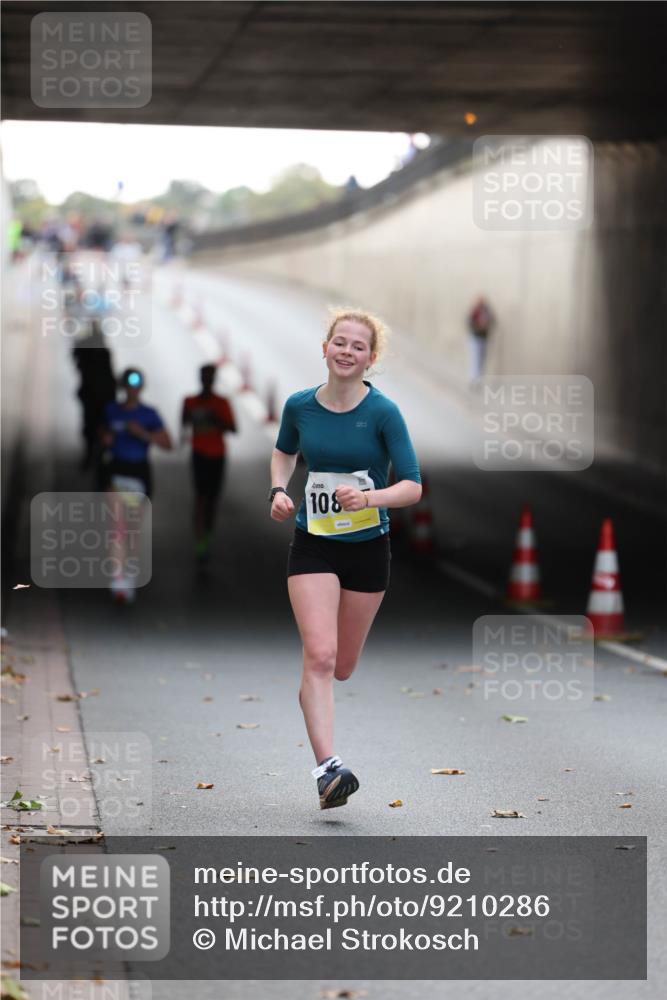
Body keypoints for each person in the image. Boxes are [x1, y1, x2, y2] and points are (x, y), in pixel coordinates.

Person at [270, 309, 422, 810]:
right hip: (313, 542)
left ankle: (328, 759)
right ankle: (328, 770)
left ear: (370, 359)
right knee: (320, 656)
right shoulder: (299, 406)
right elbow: (284, 451)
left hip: (367, 548)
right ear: (325, 347)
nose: (347, 352)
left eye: (358, 347)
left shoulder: (383, 413)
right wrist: (278, 489)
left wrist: (371, 499)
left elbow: (412, 486)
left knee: (344, 667)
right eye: (340, 342)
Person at [100, 368, 172, 602]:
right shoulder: (111, 411)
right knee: (117, 525)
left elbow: (167, 443)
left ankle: (128, 570)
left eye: (137, 383)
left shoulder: (149, 414)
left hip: (139, 473)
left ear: (141, 387)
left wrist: (142, 434)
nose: (133, 388)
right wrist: (105, 438)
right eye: (129, 383)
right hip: (116, 471)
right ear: (123, 387)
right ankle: (118, 577)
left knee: (131, 528)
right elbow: (100, 434)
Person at [181, 364, 237, 565]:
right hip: (198, 454)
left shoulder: (221, 403)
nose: (207, 380)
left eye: (210, 377)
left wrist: (215, 419)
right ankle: (200, 541)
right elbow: (184, 424)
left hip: (217, 455)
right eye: (204, 376)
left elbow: (233, 428)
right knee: (200, 498)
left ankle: (207, 536)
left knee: (212, 500)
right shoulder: (190, 401)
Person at [467, 296, 495, 386]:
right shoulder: (475, 311)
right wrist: (478, 327)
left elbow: (493, 321)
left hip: (484, 338)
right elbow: (469, 322)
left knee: (482, 358)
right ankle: (473, 378)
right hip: (475, 338)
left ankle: (479, 378)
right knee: (475, 358)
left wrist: (486, 326)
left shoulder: (487, 312)